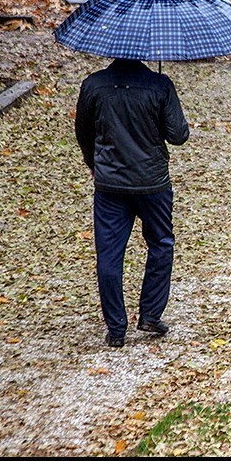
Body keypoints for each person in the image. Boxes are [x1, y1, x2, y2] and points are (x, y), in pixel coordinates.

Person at [75, 58, 189, 347]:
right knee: (161, 243)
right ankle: (150, 313)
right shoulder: (159, 85)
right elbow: (178, 135)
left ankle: (116, 328)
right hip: (153, 184)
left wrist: (94, 163)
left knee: (109, 255)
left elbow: (84, 133)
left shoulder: (93, 85)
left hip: (110, 184)